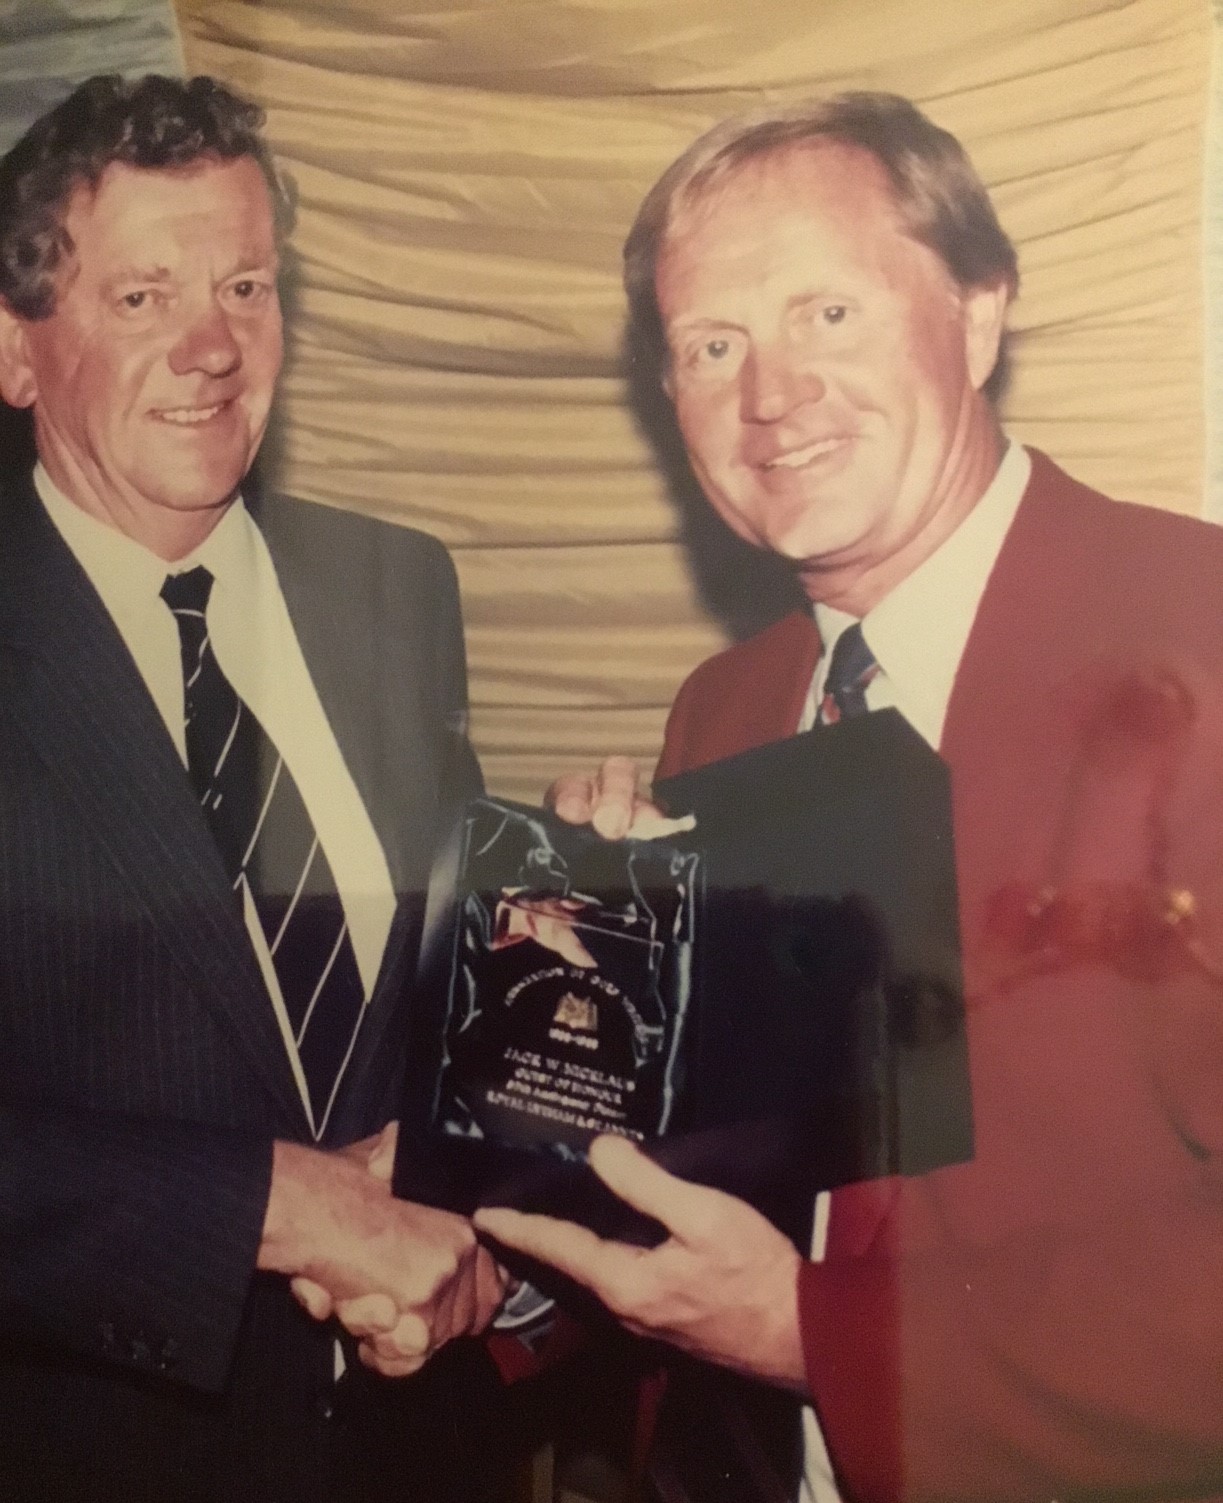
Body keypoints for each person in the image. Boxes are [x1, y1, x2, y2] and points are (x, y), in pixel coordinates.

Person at [475, 94, 1223, 1501]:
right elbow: (739, 1197)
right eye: (713, 346)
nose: (770, 397)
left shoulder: (1207, 637)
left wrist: (823, 1337)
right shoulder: (728, 707)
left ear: (981, 310)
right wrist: (556, 1107)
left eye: (826, 315)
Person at [0, 73, 509, 1503]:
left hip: (426, 1449)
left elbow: (446, 987)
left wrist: (482, 1218)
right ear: (19, 352)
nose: (214, 346)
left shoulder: (396, 586)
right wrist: (275, 1212)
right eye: (144, 298)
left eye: (245, 283)